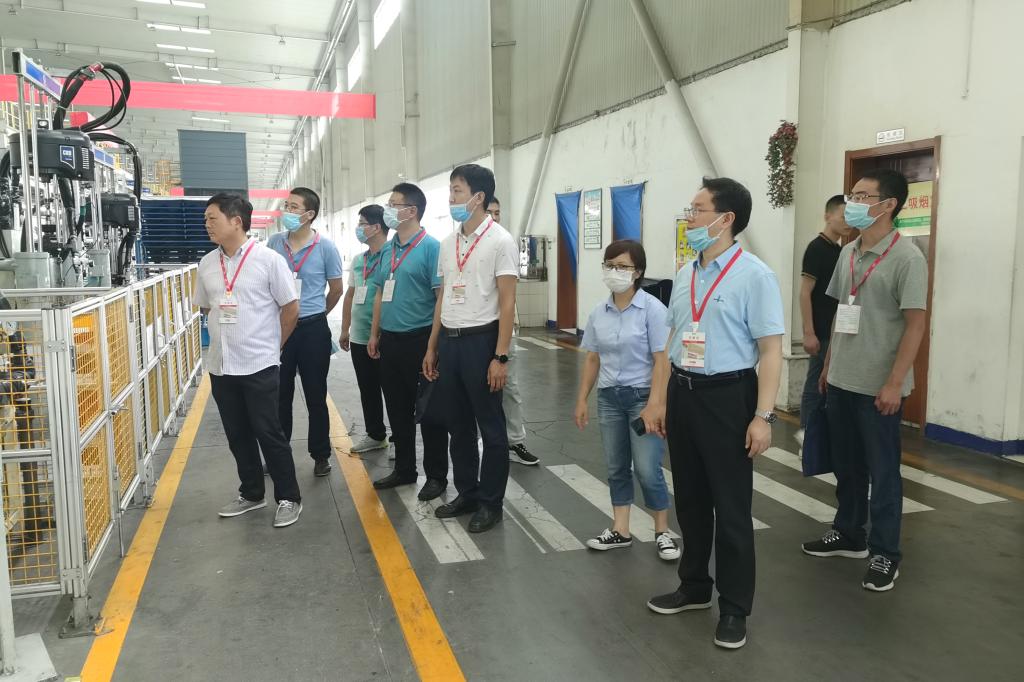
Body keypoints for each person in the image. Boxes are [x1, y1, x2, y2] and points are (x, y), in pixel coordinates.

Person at [640, 177, 784, 650]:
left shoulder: (755, 276)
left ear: (726, 219)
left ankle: (735, 607)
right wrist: (658, 399)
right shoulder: (686, 274)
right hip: (683, 392)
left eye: (697, 210)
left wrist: (763, 416)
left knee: (732, 507)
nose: (690, 218)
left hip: (729, 396)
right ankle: (695, 586)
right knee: (692, 499)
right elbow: (671, 342)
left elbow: (771, 351)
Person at [802, 168, 927, 593]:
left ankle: (885, 553)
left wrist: (894, 383)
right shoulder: (849, 252)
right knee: (848, 466)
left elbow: (915, 326)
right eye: (851, 195)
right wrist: (829, 365)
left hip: (878, 387)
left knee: (883, 473)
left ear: (888, 205)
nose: (851, 202)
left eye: (861, 196)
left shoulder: (907, 258)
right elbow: (842, 312)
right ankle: (849, 532)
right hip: (841, 379)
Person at [194, 193, 303, 528]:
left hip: (259, 364)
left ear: (236, 221)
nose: (207, 224)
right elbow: (207, 307)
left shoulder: (268, 260)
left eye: (212, 218)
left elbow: (291, 307)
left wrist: (273, 347)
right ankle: (252, 493)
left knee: (269, 432)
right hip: (221, 364)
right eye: (206, 219)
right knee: (237, 434)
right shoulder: (207, 264)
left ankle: (289, 497)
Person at [423, 164, 518, 533]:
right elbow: (443, 297)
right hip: (450, 342)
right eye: (450, 190)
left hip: (482, 342)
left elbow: (507, 303)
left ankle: (491, 503)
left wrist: (500, 356)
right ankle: (467, 492)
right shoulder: (448, 243)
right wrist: (433, 346)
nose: (451, 197)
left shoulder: (501, 241)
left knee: (491, 428)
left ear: (478, 197)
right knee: (458, 426)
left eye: (457, 190)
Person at [573, 240, 680, 561]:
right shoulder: (599, 312)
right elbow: (593, 358)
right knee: (616, 466)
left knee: (647, 468)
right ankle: (620, 530)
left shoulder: (653, 310)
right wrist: (582, 399)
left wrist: (656, 405)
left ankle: (663, 531)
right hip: (609, 398)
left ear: (638, 272)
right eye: (609, 265)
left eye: (622, 266)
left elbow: (662, 361)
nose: (614, 272)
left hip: (642, 399)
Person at [367, 183, 449, 501]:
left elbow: (440, 298)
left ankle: (436, 475)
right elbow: (379, 292)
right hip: (391, 341)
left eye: (393, 204)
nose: (388, 209)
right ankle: (404, 469)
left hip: (420, 339)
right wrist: (375, 333)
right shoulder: (388, 249)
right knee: (397, 409)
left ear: (411, 211)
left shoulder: (431, 248)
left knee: (430, 412)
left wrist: (432, 347)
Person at [267, 187, 343, 478]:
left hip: (312, 329)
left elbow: (336, 289)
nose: (287, 211)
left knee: (315, 395)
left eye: (293, 207)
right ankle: (279, 454)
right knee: (279, 394)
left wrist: (317, 312)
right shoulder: (274, 243)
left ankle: (321, 455)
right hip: (280, 328)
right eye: (286, 205)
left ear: (309, 214)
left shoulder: (326, 248)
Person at [485, 197, 539, 466]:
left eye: (498, 213)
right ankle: (484, 441)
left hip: (504, 331)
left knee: (510, 388)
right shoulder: (462, 248)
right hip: (474, 332)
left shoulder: (505, 244)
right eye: (489, 212)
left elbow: (508, 296)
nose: (494, 218)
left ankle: (514, 441)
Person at [796, 195, 852, 445]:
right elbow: (805, 292)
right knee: (815, 385)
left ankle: (817, 436)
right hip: (821, 332)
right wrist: (808, 332)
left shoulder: (841, 251)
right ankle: (807, 434)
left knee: (827, 385)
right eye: (843, 216)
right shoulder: (816, 248)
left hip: (837, 329)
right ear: (828, 216)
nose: (848, 222)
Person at [339, 204, 392, 453]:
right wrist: (345, 329)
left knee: (393, 391)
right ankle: (376, 434)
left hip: (386, 335)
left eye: (362, 224)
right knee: (368, 388)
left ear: (376, 227)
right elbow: (350, 295)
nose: (358, 229)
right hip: (360, 336)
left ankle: (399, 439)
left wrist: (377, 333)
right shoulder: (359, 260)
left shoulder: (392, 257)